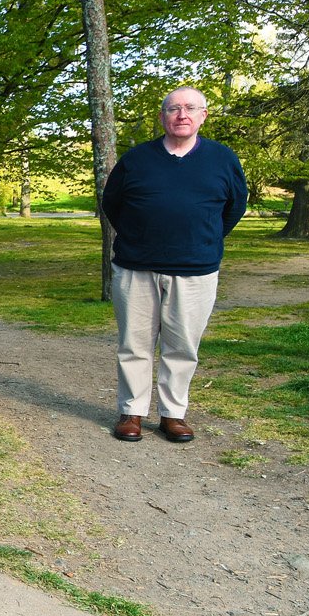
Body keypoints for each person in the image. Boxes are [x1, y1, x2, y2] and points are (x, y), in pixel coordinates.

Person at [102, 86, 247, 443]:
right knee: (134, 344)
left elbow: (234, 208)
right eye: (174, 108)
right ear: (163, 116)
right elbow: (113, 204)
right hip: (137, 266)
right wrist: (142, 236)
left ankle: (173, 415)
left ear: (203, 116)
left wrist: (202, 239)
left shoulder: (222, 159)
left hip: (196, 269)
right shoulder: (137, 159)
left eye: (190, 108)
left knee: (182, 346)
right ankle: (132, 412)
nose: (182, 115)